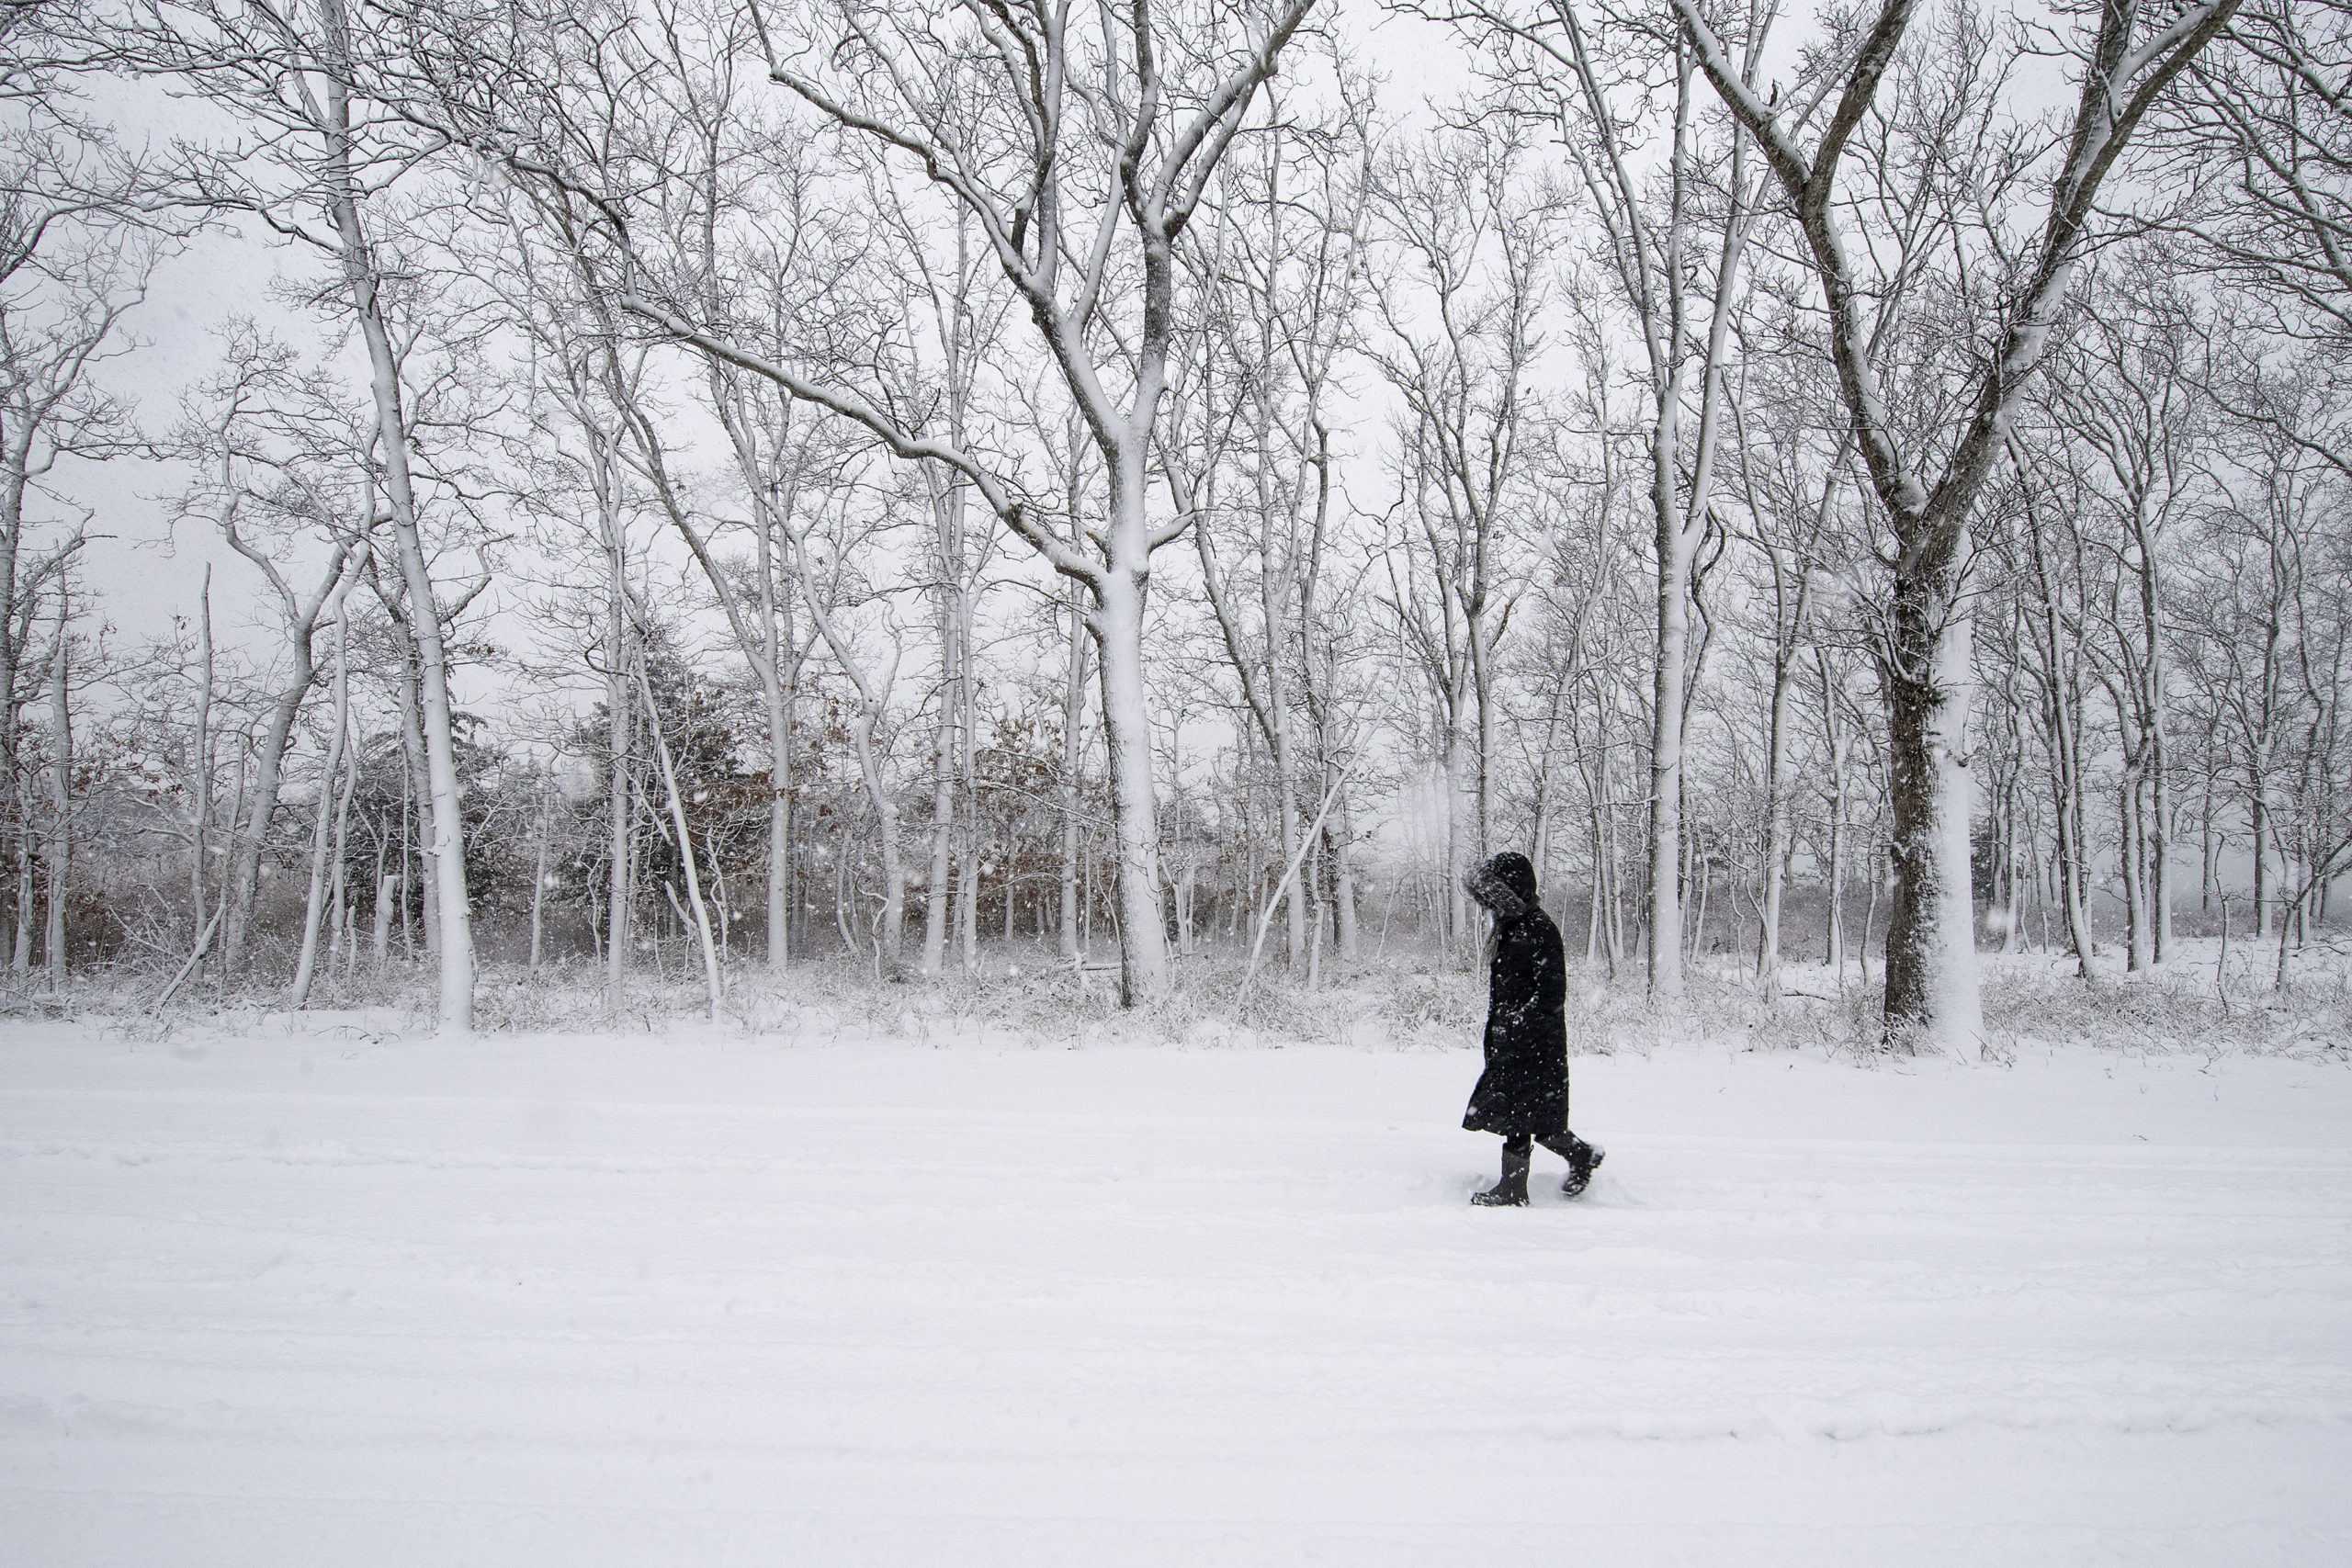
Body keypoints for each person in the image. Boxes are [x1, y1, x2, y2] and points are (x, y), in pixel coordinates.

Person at [1460, 851, 1603, 1207]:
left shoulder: (1538, 929)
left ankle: (1519, 1186)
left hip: (1535, 1043)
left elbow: (1552, 994)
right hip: (1516, 1040)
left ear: (1512, 892)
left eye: (1494, 896)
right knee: (1524, 1115)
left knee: (1528, 1117)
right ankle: (1575, 1158)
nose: (1488, 905)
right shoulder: (1511, 927)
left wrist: (1519, 1025)